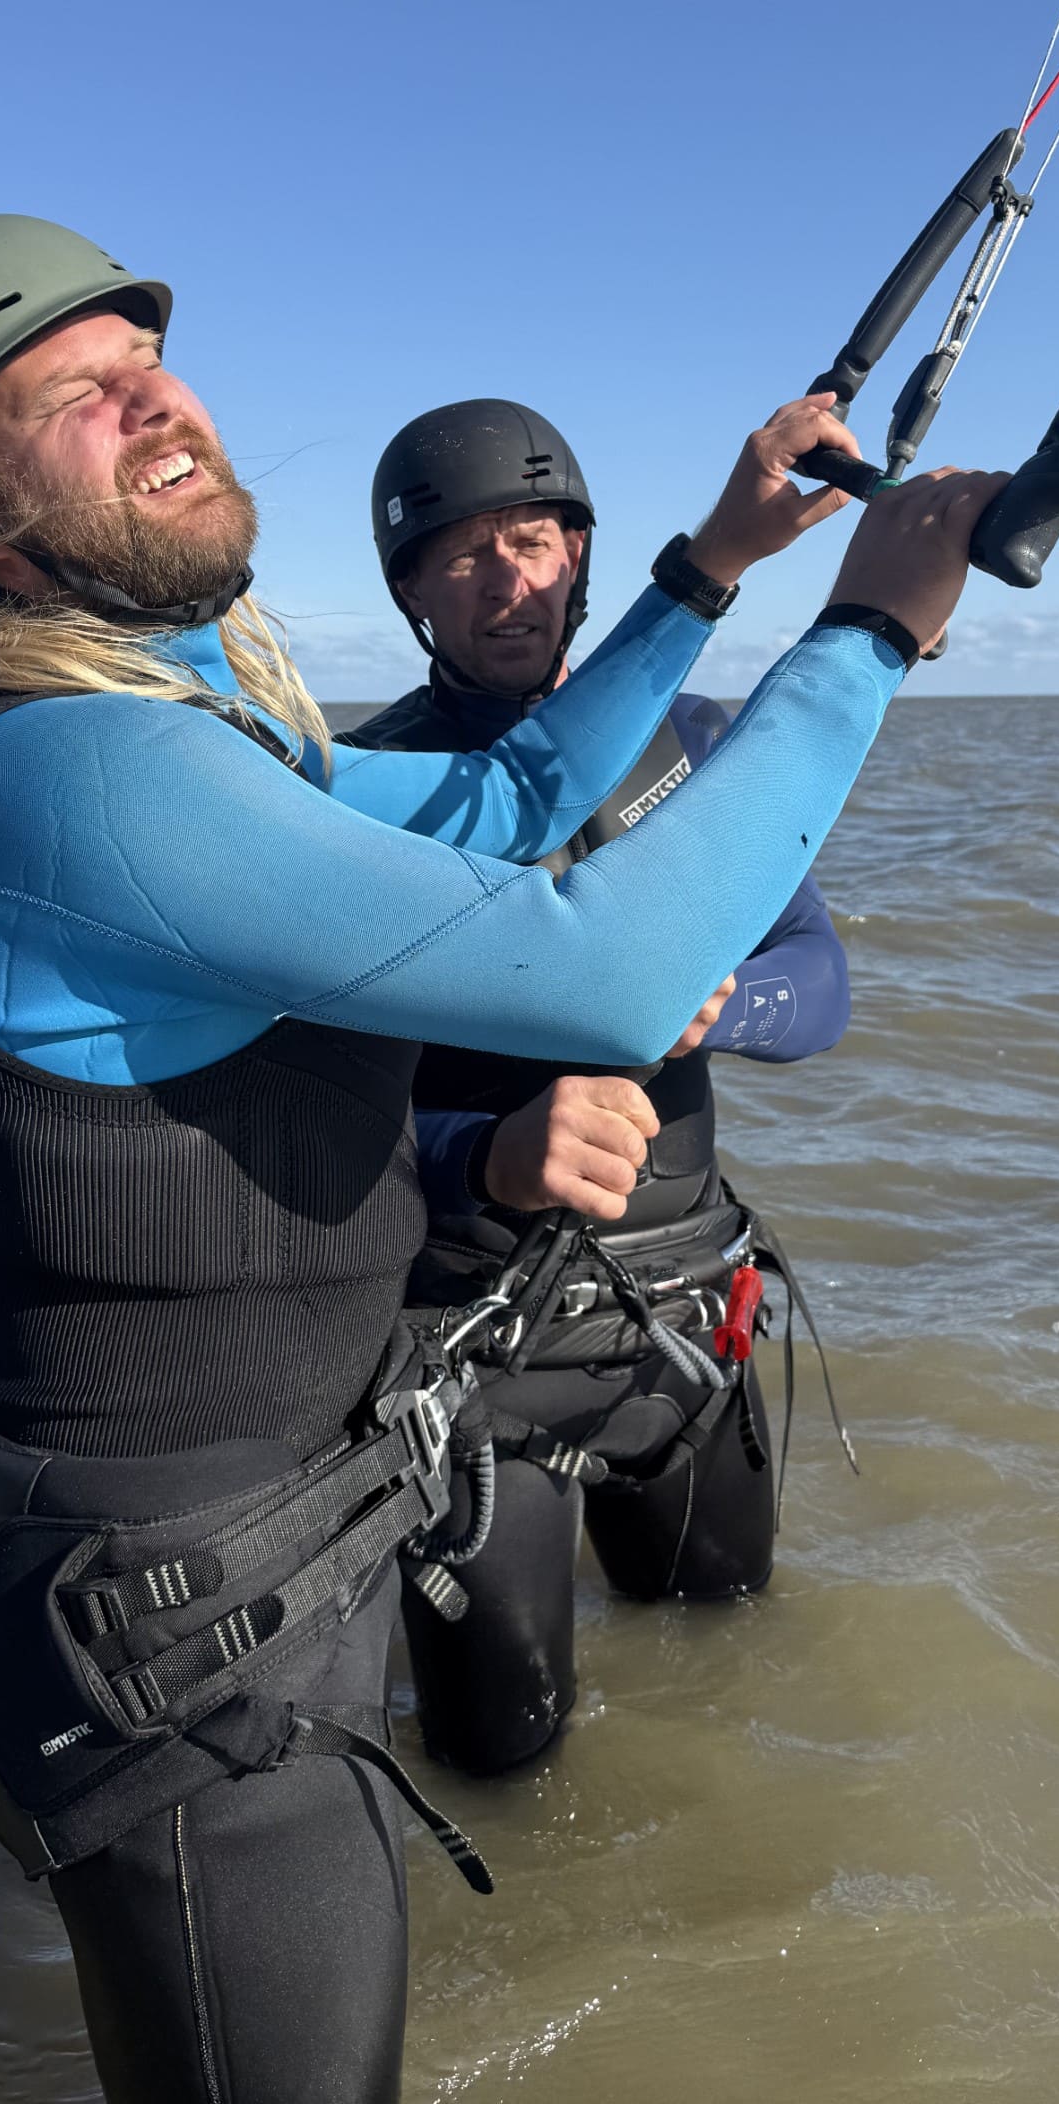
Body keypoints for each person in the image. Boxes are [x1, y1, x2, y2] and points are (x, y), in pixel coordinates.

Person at [0, 210, 1002, 2104]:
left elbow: (515, 797)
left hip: (225, 1538)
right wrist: (866, 631)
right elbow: (607, 967)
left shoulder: (168, 733)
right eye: (75, 401)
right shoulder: (67, 765)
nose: (158, 405)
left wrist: (711, 565)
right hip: (171, 1622)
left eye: (150, 362)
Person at [343, 400, 852, 1774]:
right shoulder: (370, 789)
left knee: (730, 1659)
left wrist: (724, 1006)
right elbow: (293, 1112)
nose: (508, 581)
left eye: (533, 538)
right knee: (500, 1762)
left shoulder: (702, 749)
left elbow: (820, 978)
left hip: (688, 1311)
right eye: (461, 557)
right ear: (409, 593)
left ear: (581, 553)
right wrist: (481, 1154)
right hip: (474, 1354)